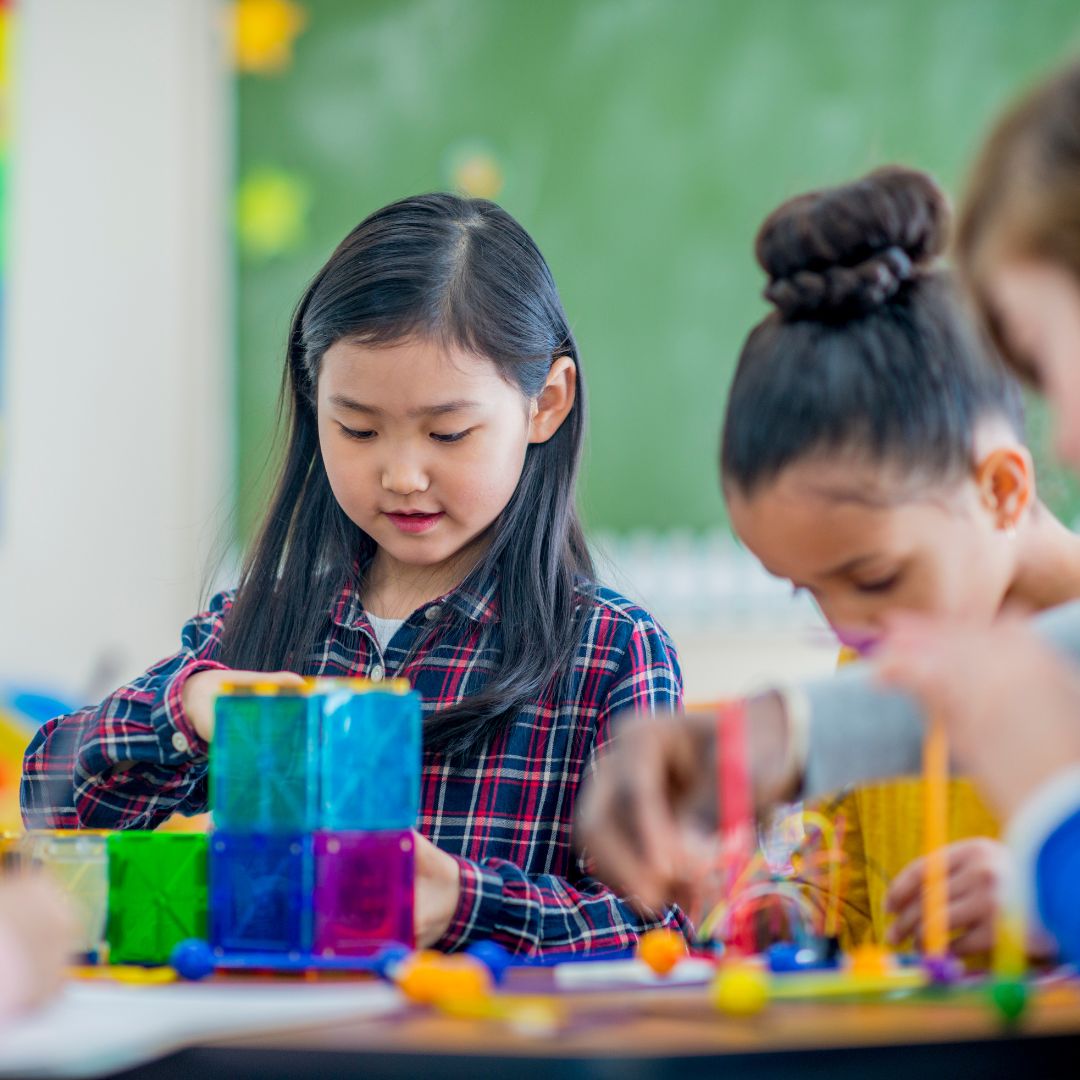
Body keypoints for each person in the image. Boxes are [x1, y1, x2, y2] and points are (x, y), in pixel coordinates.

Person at [22, 193, 684, 957]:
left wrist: (463, 907)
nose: (401, 474)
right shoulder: (267, 629)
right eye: (358, 429)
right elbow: (49, 801)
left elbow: (657, 922)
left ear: (546, 404)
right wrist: (192, 704)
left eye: (448, 431)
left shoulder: (608, 653)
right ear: (315, 404)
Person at [718, 165, 1080, 954]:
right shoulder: (876, 674)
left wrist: (1046, 895)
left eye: (874, 578)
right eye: (806, 592)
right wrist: (776, 908)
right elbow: (827, 887)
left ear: (1003, 490)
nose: (848, 625)